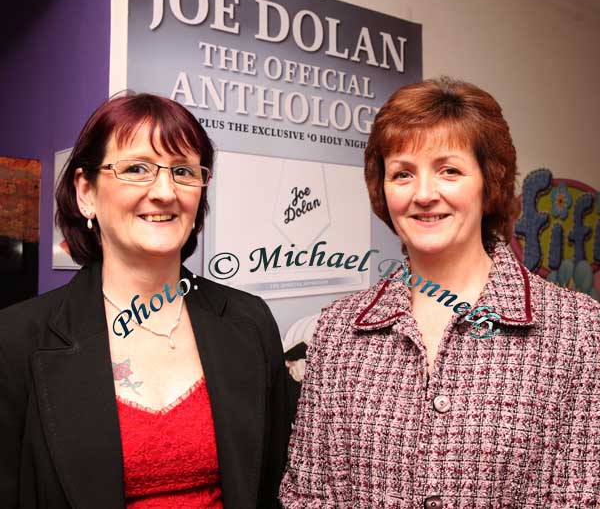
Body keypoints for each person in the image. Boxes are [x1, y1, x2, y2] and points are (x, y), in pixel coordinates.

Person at [279, 77, 600, 507]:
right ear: (383, 189)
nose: (424, 194)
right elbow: (307, 494)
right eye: (403, 174)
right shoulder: (337, 329)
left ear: (489, 182)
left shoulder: (578, 329)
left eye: (449, 170)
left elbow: (579, 496)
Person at [0, 93, 290, 509]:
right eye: (137, 169)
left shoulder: (249, 319)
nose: (165, 191)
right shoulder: (16, 341)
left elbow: (276, 486)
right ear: (86, 192)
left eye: (183, 171)